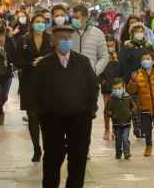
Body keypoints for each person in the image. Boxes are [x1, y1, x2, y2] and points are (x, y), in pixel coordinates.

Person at [31, 25, 99, 188]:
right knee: (53, 158)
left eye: (69, 39)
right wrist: (41, 114)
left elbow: (93, 86)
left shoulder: (83, 62)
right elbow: (36, 91)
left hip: (80, 118)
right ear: (54, 41)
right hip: (52, 119)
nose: (66, 42)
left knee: (78, 157)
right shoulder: (44, 65)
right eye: (62, 38)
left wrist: (90, 110)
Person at [14, 12, 53, 162]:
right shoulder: (24, 40)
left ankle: (48, 147)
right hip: (29, 82)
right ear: (32, 23)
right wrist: (31, 63)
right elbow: (17, 61)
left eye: (43, 21)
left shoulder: (50, 39)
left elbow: (57, 57)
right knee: (32, 117)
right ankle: (37, 148)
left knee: (47, 117)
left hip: (48, 84)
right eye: (37, 21)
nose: (40, 24)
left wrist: (45, 61)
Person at [126, 51, 154, 157]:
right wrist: (132, 81)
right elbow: (131, 90)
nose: (145, 61)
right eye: (143, 59)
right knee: (147, 129)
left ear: (153, 61)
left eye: (148, 59)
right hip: (144, 107)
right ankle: (148, 146)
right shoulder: (138, 74)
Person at [71, 5, 109, 75]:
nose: (74, 20)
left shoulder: (97, 33)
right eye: (73, 18)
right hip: (72, 77)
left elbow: (104, 57)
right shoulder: (69, 33)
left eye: (77, 18)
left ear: (85, 18)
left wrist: (95, 72)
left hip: (90, 77)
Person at [105, 78, 135, 160]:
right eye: (115, 89)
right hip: (116, 124)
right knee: (118, 140)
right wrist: (111, 114)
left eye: (119, 88)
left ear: (123, 87)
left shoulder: (127, 97)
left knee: (125, 139)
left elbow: (133, 107)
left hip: (127, 123)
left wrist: (130, 113)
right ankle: (118, 153)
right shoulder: (111, 99)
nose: (117, 90)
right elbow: (107, 110)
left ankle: (127, 153)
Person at [100, 35, 122, 141]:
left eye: (111, 41)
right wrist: (102, 80)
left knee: (117, 109)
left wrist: (115, 57)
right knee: (107, 108)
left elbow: (122, 68)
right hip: (106, 85)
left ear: (115, 42)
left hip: (118, 84)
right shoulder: (102, 55)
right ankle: (106, 129)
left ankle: (115, 129)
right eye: (107, 41)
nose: (109, 43)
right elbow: (98, 68)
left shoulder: (119, 54)